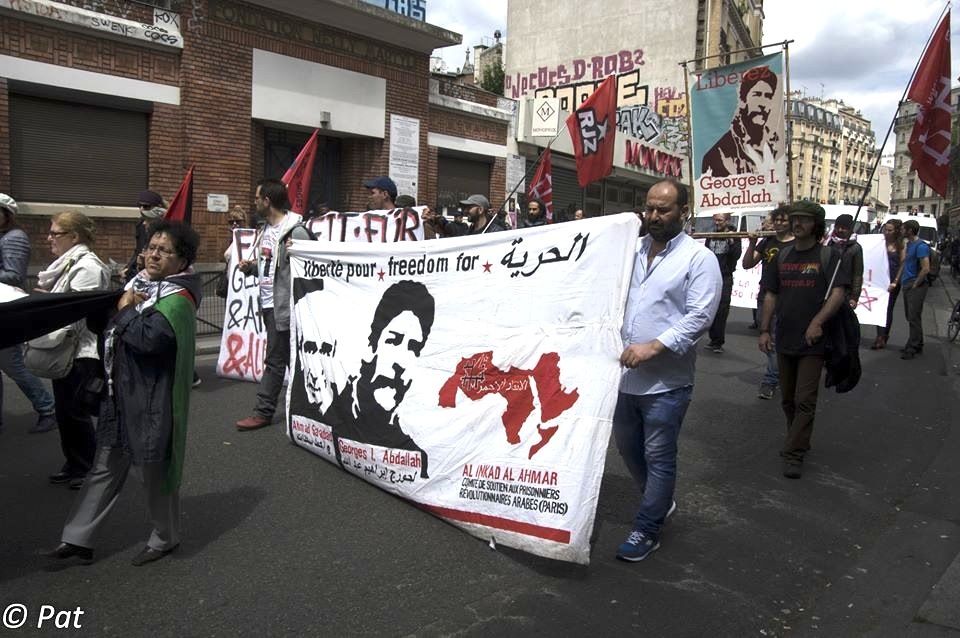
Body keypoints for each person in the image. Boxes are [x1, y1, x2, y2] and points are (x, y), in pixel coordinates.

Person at [45, 220, 201, 566]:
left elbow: (150, 340)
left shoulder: (179, 300)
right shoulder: (137, 284)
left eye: (164, 251)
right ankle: (78, 538)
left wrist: (126, 309)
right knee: (104, 466)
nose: (154, 255)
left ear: (182, 261)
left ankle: (165, 538)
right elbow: (110, 327)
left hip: (152, 399)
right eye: (151, 247)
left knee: (152, 471)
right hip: (119, 393)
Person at [613, 178, 721, 561]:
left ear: (683, 212)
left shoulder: (698, 259)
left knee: (659, 456)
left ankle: (648, 527)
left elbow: (700, 317)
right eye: (649, 208)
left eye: (663, 209)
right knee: (628, 450)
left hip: (666, 382)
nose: (654, 216)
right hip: (623, 379)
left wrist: (653, 347)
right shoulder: (630, 251)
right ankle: (659, 502)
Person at [758, 201, 849, 479]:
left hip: (813, 341)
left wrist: (817, 322)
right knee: (787, 399)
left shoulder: (828, 256)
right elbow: (771, 294)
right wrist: (764, 329)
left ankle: (794, 453)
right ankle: (797, 439)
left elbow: (837, 293)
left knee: (805, 399)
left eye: (804, 220)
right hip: (784, 336)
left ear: (816, 225)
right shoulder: (783, 255)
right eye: (794, 219)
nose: (797, 224)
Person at [322, 280, 435, 478]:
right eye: (393, 340)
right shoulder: (331, 416)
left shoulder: (414, 456)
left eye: (414, 348)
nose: (401, 361)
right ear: (371, 346)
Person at [37, 211, 110, 489]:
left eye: (55, 233)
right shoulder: (69, 264)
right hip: (67, 349)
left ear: (75, 236)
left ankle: (87, 468)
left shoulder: (88, 267)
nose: (49, 238)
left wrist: (48, 304)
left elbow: (79, 313)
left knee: (75, 412)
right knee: (65, 412)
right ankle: (74, 462)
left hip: (81, 352)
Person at [235, 179, 312, 430]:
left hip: (286, 308)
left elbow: (313, 265)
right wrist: (252, 269)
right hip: (270, 306)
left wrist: (301, 251)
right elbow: (271, 267)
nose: (254, 202)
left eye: (257, 198)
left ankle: (263, 411)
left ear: (267, 201)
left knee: (276, 362)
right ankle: (311, 408)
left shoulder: (295, 231)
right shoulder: (265, 230)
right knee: (292, 361)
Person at [0, 193, 58, 434]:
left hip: (6, 307)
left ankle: (48, 409)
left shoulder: (14, 237)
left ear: (6, 214)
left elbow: (14, 275)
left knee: (13, 364)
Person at [742, 206, 794, 400]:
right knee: (768, 336)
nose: (779, 223)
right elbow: (747, 264)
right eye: (777, 220)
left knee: (779, 337)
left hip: (789, 297)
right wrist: (752, 243)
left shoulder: (797, 244)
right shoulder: (767, 242)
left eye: (784, 220)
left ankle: (772, 378)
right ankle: (776, 375)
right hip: (766, 296)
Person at [701, 66, 780, 177]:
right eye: (757, 95)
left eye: (768, 96)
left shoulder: (775, 144)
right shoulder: (720, 153)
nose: (763, 103)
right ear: (743, 100)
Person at [704, 213, 742, 354]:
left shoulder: (734, 236)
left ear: (727, 221)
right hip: (711, 276)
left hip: (725, 276)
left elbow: (736, 255)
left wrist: (731, 241)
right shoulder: (711, 234)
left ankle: (718, 341)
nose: (717, 223)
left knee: (721, 309)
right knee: (709, 306)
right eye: (715, 220)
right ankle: (712, 337)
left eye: (719, 220)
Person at [872, 220, 906, 350]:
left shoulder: (900, 245)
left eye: (890, 230)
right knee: (879, 308)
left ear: (896, 231)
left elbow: (902, 263)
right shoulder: (880, 242)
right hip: (879, 280)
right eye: (885, 229)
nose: (887, 232)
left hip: (892, 281)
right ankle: (879, 336)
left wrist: (896, 281)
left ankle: (883, 336)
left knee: (888, 309)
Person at [900, 219, 931, 360]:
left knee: (913, 317)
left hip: (915, 285)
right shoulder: (910, 244)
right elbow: (904, 262)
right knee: (911, 316)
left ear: (910, 231)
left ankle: (912, 347)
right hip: (907, 283)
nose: (901, 231)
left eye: (903, 229)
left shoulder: (921, 246)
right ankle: (918, 343)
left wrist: (915, 284)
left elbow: (926, 268)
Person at [123, 191, 166, 281]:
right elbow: (138, 250)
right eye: (140, 206)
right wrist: (128, 267)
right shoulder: (140, 225)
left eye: (146, 206)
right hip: (139, 272)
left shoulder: (165, 229)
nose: (142, 209)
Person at [826, 214, 864, 309]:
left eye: (844, 228)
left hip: (845, 292)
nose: (840, 230)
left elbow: (857, 274)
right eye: (838, 227)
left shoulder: (855, 248)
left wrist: (854, 297)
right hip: (826, 289)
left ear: (850, 229)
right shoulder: (828, 243)